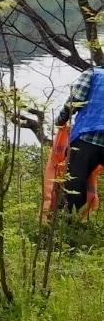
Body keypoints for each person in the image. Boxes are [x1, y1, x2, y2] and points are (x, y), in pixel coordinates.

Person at [54, 64, 104, 211]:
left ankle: (71, 223)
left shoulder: (93, 74)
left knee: (74, 183)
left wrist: (60, 121)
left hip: (87, 138)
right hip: (89, 138)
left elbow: (75, 101)